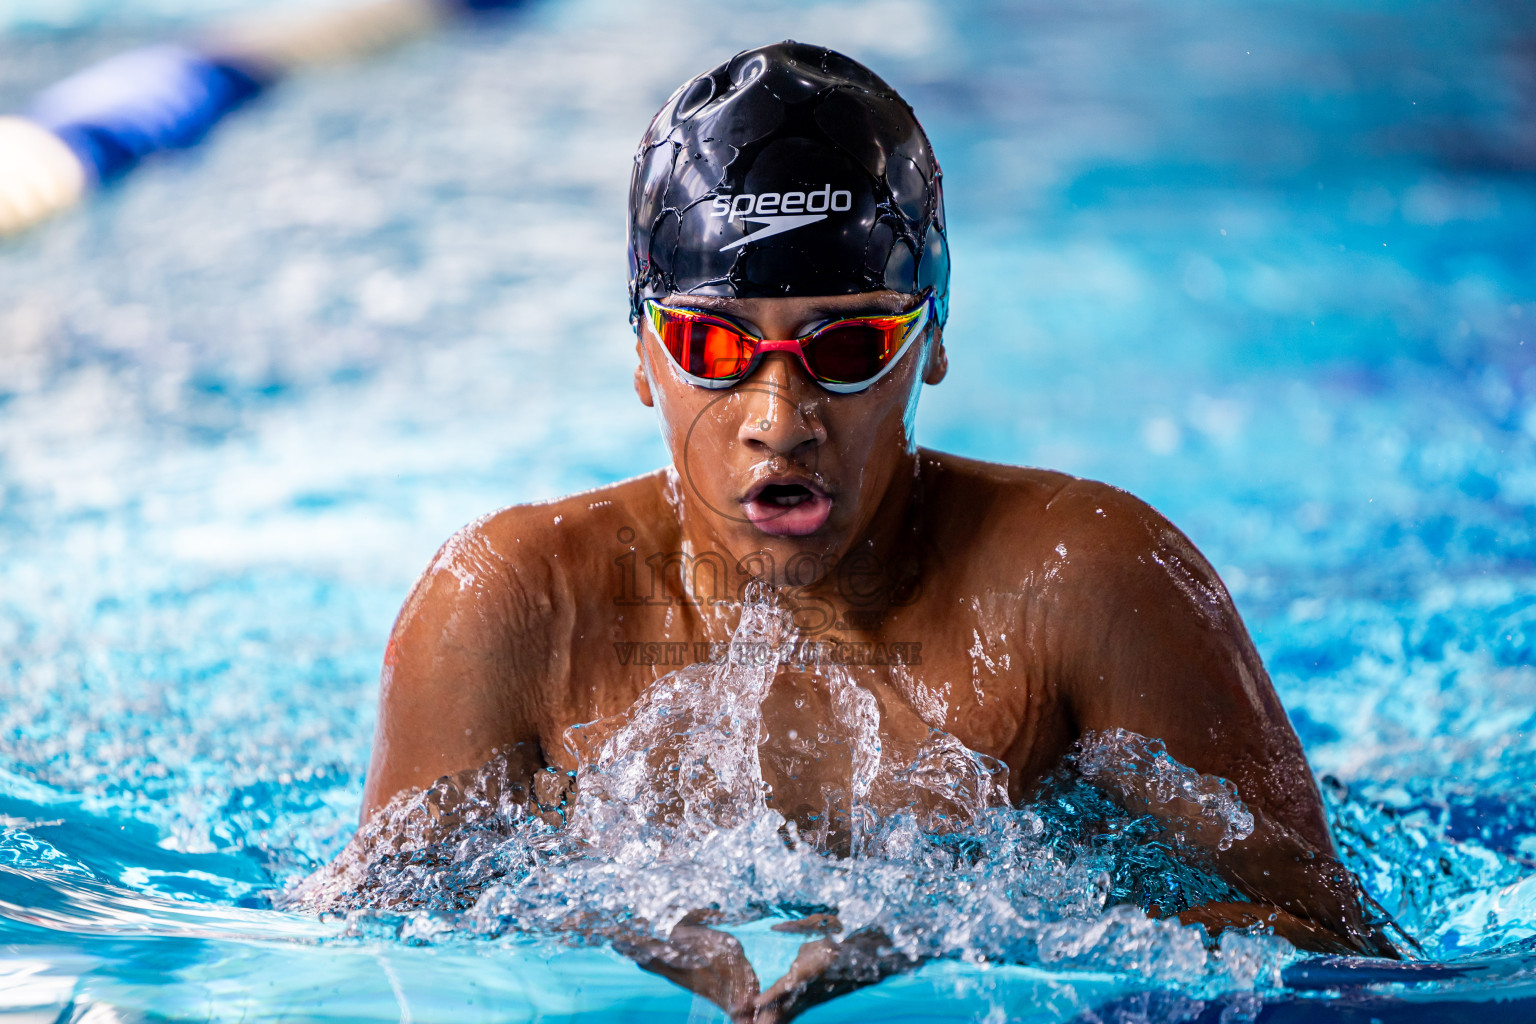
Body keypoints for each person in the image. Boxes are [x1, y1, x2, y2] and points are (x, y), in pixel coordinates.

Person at [355, 40, 1398, 1022]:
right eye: (711, 345)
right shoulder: (508, 606)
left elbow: (1334, 956)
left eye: (847, 344)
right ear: (642, 355)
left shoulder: (1091, 582)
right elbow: (360, 953)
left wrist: (973, 936)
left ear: (932, 339)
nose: (778, 418)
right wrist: (590, 926)